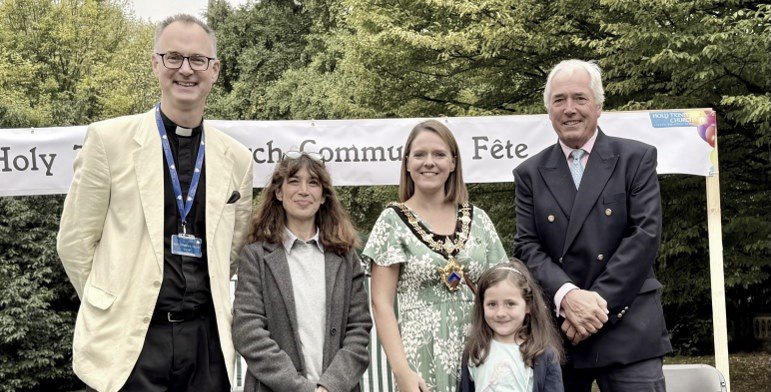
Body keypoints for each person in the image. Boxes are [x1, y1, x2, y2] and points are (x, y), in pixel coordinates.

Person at [56, 14, 253, 392]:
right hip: (131, 342)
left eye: (198, 60)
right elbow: (75, 243)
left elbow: (232, 249)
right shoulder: (107, 140)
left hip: (206, 345)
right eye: (173, 57)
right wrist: (113, 301)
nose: (185, 70)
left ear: (214, 71)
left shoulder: (237, 159)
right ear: (155, 64)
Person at [513, 59, 672, 392]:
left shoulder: (635, 159)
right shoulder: (529, 173)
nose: (569, 109)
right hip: (561, 333)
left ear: (599, 106)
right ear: (549, 110)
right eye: (559, 100)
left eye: (579, 98)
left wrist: (594, 305)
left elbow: (644, 236)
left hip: (630, 327)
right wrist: (568, 297)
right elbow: (527, 247)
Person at [364, 120, 508, 392]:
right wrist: (402, 371)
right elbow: (381, 303)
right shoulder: (392, 222)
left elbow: (504, 289)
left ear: (453, 163)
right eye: (420, 154)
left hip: (481, 356)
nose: (429, 162)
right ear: (407, 163)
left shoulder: (478, 219)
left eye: (439, 154)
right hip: (420, 362)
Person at [232, 151, 372, 392]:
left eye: (313, 183)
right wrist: (301, 389)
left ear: (323, 196)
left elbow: (358, 331)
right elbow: (249, 331)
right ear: (278, 192)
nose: (304, 191)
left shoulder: (345, 257)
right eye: (294, 181)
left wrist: (330, 386)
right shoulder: (255, 256)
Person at [459, 260, 563, 392]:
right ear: (482, 306)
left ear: (528, 305)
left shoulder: (542, 354)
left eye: (510, 304)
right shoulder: (474, 351)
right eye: (492, 304)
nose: (500, 313)